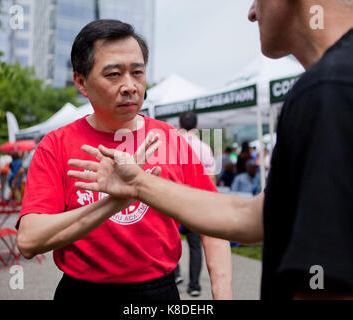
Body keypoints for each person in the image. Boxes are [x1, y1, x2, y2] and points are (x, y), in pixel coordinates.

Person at [68, 1, 353, 300]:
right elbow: (253, 217)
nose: (252, 12)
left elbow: (338, 285)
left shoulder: (337, 90)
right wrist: (138, 183)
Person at [16, 19, 232, 301]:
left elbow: (214, 222)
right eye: (114, 74)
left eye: (137, 72)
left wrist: (223, 294)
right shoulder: (56, 145)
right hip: (82, 292)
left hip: (158, 292)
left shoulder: (170, 140)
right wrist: (116, 201)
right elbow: (29, 240)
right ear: (81, 82)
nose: (130, 86)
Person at [173, 111, 217, 297]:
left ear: (179, 124)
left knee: (171, 239)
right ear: (197, 126)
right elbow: (212, 178)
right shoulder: (204, 148)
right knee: (194, 245)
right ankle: (194, 285)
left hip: (173, 200)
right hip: (196, 202)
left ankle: (174, 275)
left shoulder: (171, 145)